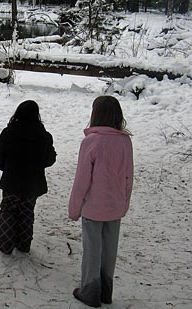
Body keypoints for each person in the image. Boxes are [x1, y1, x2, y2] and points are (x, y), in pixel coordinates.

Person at [68, 96, 134, 307]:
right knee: (109, 252)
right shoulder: (125, 141)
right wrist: (124, 204)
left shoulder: (91, 141)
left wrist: (74, 208)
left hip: (94, 209)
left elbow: (81, 180)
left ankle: (90, 291)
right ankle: (105, 291)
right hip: (115, 207)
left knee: (92, 250)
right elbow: (128, 177)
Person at [0, 100, 57, 254]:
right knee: (27, 211)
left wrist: (6, 168)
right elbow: (50, 159)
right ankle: (23, 244)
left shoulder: (8, 133)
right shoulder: (44, 136)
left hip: (11, 181)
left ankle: (6, 244)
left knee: (8, 210)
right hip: (33, 183)